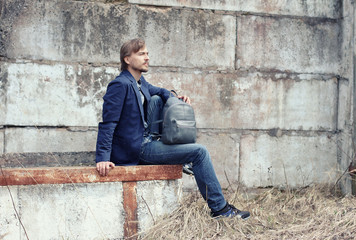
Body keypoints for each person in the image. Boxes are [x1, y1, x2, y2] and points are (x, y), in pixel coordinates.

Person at [95, 38, 250, 219]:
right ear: (127, 59)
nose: (147, 58)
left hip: (148, 139)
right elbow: (108, 123)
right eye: (141, 54)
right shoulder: (120, 85)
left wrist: (176, 98)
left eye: (147, 53)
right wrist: (103, 158)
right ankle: (221, 210)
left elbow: (159, 90)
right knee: (200, 152)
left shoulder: (139, 82)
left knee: (158, 98)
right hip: (138, 149)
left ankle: (177, 154)